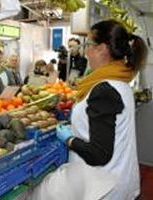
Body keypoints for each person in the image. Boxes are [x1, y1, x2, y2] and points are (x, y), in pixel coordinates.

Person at [31, 19, 147, 200]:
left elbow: (98, 154)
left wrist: (69, 139)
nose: (86, 52)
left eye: (88, 45)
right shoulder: (120, 82)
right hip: (115, 180)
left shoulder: (104, 89)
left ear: (102, 48)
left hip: (105, 188)